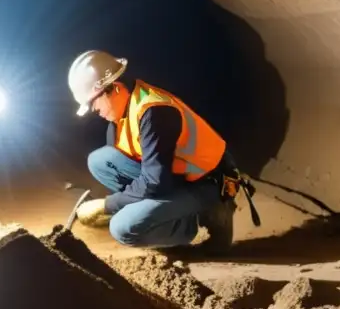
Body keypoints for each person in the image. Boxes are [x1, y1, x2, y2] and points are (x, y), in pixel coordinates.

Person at [67, 50, 241, 253]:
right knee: (100, 161)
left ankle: (196, 218)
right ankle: (159, 211)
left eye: (93, 102)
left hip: (207, 182)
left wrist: (107, 205)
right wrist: (115, 203)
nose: (93, 110)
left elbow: (155, 181)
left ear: (113, 88)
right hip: (174, 178)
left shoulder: (154, 112)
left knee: (122, 228)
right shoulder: (120, 116)